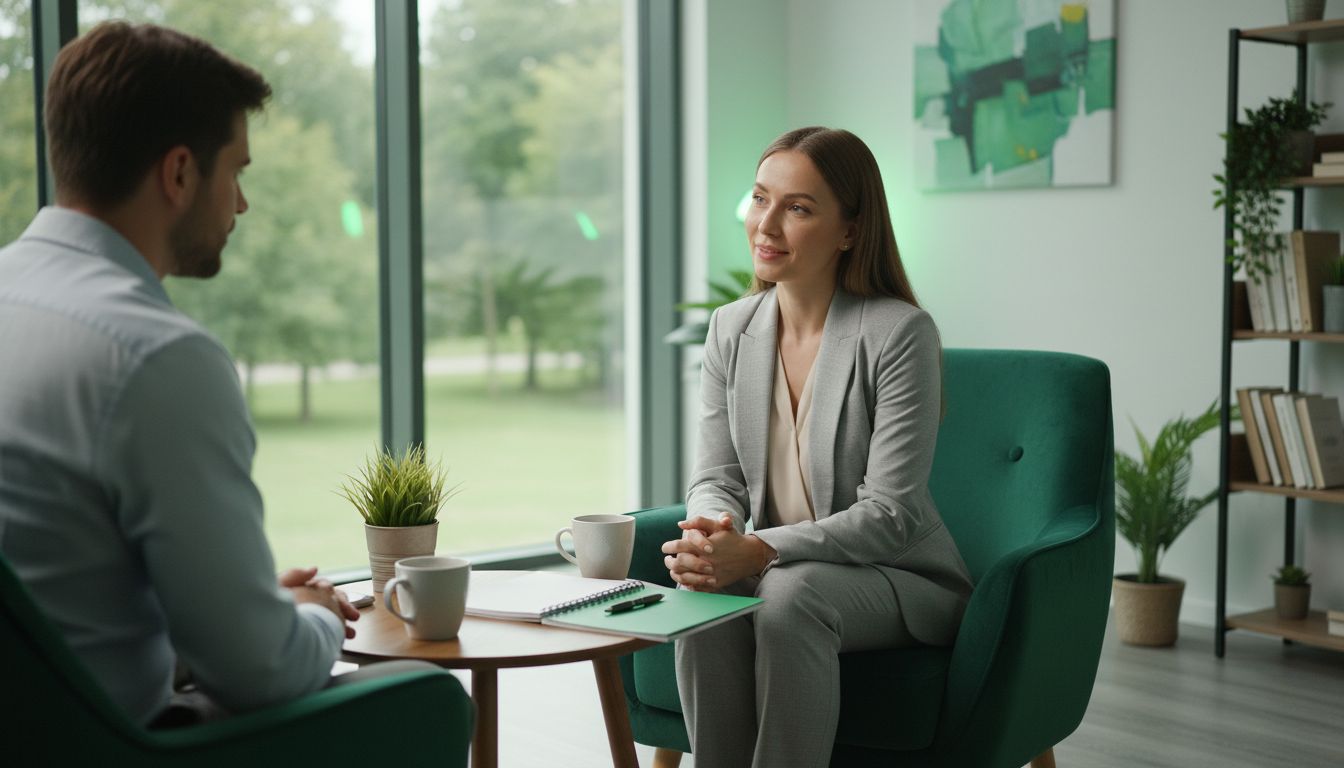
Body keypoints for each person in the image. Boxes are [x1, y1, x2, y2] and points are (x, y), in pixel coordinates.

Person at [0, 21, 410, 728]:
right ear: (181, 173)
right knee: (421, 702)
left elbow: (61, 612)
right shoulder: (154, 357)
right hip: (111, 745)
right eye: (238, 172)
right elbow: (263, 673)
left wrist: (246, 613)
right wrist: (306, 618)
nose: (242, 204)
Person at [662, 127, 975, 767]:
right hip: (778, 565)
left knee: (787, 595)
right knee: (705, 591)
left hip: (899, 578)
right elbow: (715, 474)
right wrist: (714, 531)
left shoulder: (899, 333)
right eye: (760, 198)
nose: (765, 224)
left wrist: (757, 550)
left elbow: (889, 514)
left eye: (798, 208)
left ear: (850, 231)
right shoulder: (730, 328)